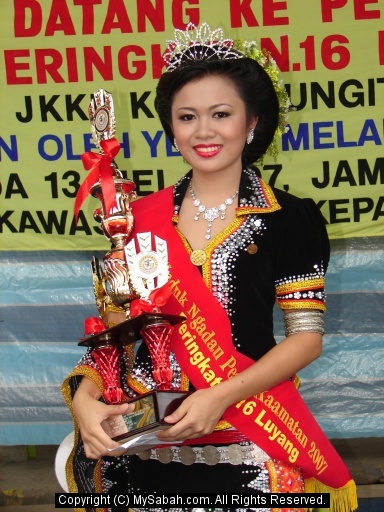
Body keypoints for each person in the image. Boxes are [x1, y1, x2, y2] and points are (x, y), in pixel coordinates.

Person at [62, 23, 357, 512]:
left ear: (252, 122)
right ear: (172, 127)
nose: (203, 131)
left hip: (250, 427)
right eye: (187, 117)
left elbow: (306, 337)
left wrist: (218, 396)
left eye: (221, 114)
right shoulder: (136, 218)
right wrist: (85, 399)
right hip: (145, 439)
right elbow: (118, 332)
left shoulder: (289, 218)